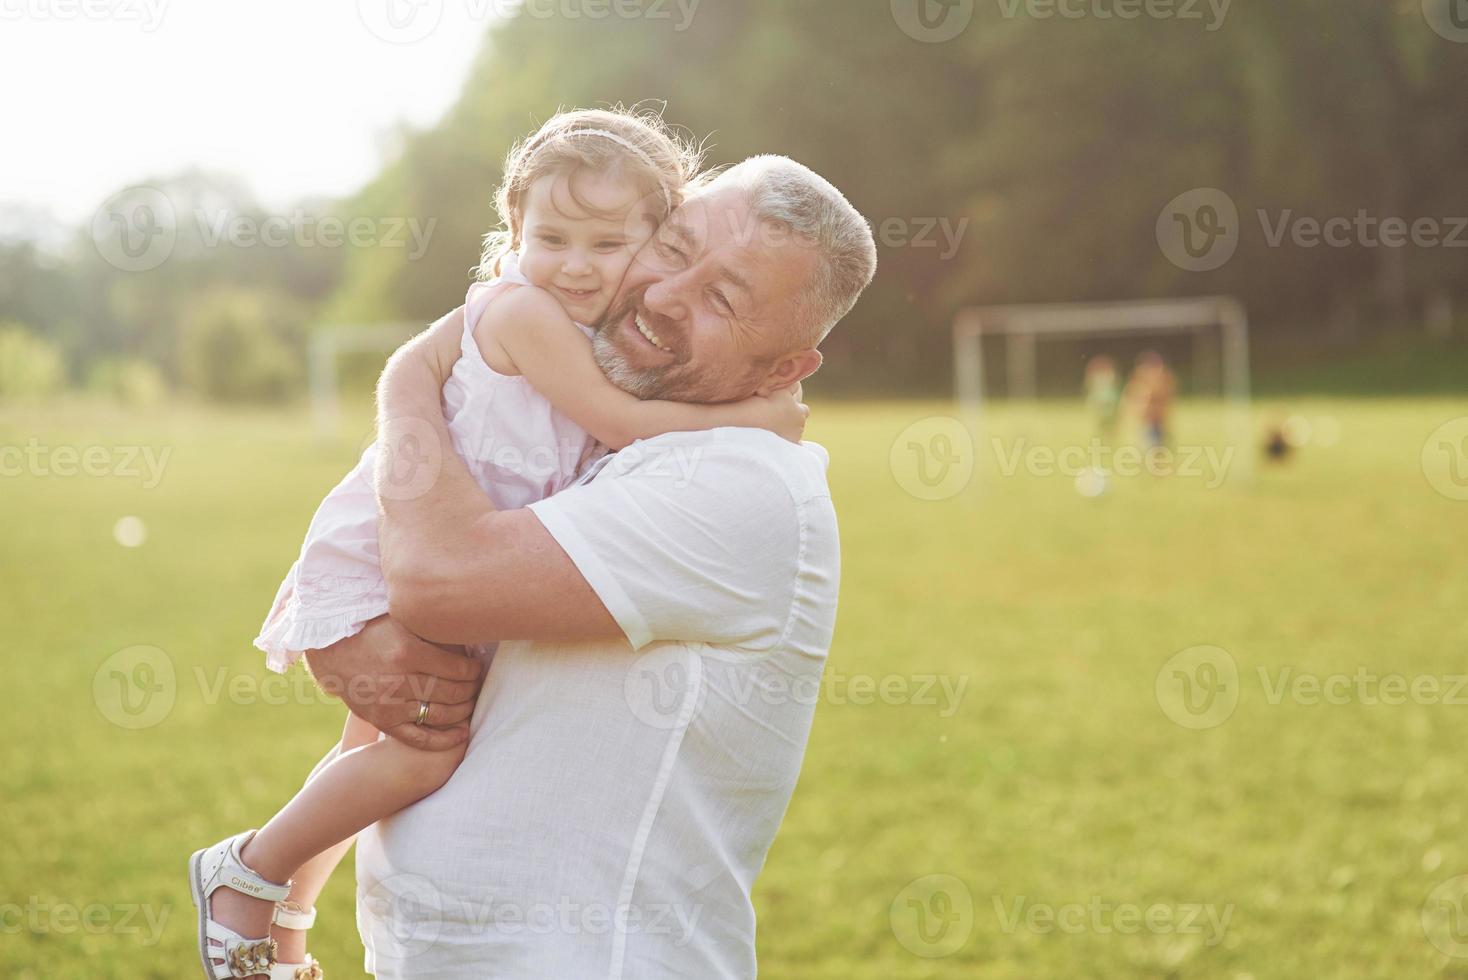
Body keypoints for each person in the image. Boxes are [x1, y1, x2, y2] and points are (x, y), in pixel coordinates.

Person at [187, 109, 810, 980]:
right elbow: (619, 421)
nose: (577, 264)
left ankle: (283, 906)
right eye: (551, 237)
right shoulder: (527, 314)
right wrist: (756, 415)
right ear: (513, 231)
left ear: (653, 239)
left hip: (430, 530)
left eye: (609, 244)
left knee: (371, 746)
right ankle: (247, 873)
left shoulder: (580, 325)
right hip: (391, 544)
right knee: (420, 748)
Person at [1124, 350, 1178, 451]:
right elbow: (1136, 406)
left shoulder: (1163, 384)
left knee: (1160, 448)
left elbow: (1167, 401)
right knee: (1153, 448)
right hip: (1148, 425)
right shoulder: (1139, 387)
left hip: (1159, 424)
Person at [1083, 354, 1120, 441]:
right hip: (1102, 402)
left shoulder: (1109, 378)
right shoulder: (1101, 379)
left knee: (1108, 420)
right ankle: (1104, 435)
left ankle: (1108, 435)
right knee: (1103, 421)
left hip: (1107, 402)